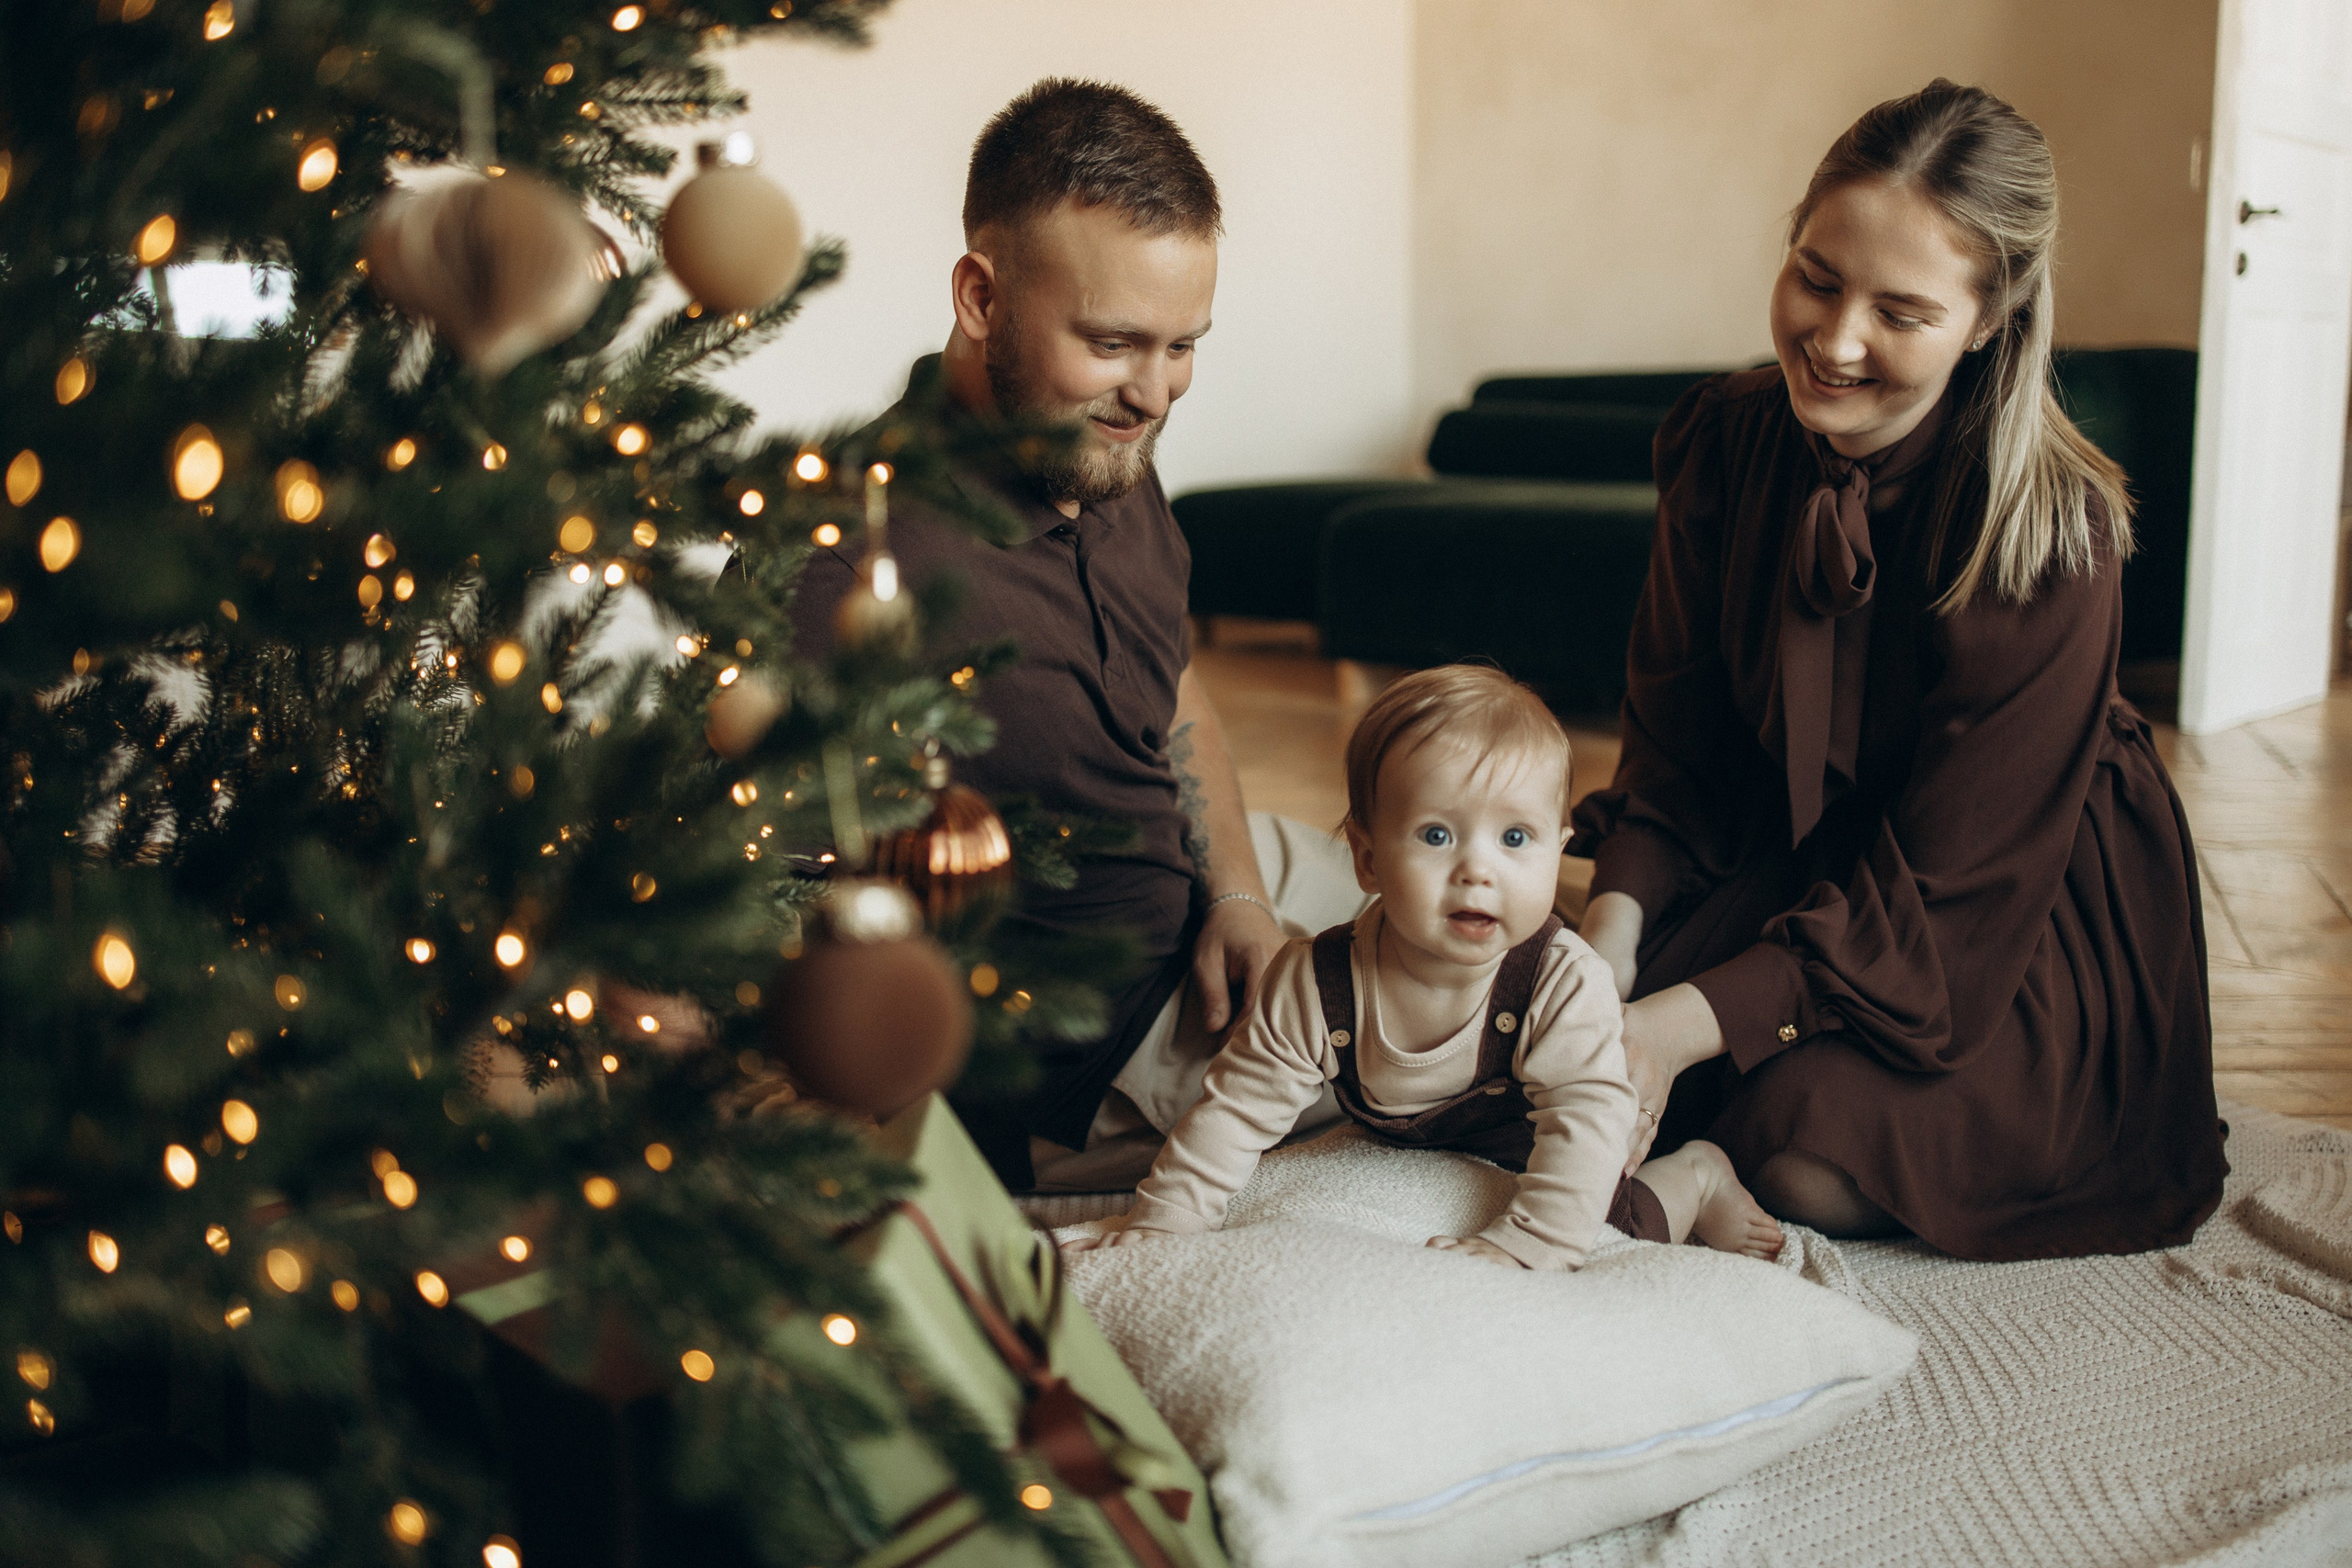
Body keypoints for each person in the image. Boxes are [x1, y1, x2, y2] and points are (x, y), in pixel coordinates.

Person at [1571, 80, 2227, 1260]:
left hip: (1997, 906)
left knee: (1805, 1144)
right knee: (1537, 1035)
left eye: (1901, 311)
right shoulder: (1720, 441)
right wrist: (1608, 956)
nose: (1834, 342)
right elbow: (1675, 751)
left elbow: (1948, 890)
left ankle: (1732, 1150)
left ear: (1987, 318)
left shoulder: (2049, 532)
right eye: (1816, 279)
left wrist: (1671, 1029)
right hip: (1796, 844)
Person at [791, 79, 1364, 1190]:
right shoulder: (847, 567)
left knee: (1502, 897)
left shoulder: (1095, 448)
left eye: (1183, 345)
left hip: (1213, 890)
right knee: (1493, 1032)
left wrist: (1239, 895)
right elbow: (805, 928)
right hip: (1106, 1034)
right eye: (1114, 343)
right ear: (979, 296)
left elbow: (1175, 691)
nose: (1155, 393)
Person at [1073, 666, 1783, 1268]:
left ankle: (1696, 1176)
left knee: (1609, 1223)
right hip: (1412, 1146)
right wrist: (1166, 1220)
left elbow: (1588, 1121)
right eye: (1437, 834)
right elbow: (1234, 1110)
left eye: (1515, 837)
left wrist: (1526, 1244)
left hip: (1540, 1145)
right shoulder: (1315, 981)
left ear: (1559, 849)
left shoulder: (1562, 980)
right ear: (1368, 855)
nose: (1478, 869)